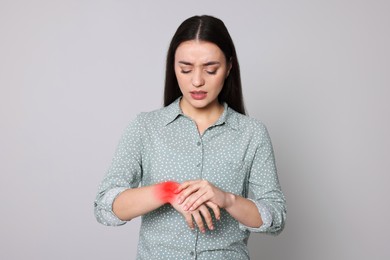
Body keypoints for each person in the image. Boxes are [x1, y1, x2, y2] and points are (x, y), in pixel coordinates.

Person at [94, 15, 286, 259]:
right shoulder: (145, 127)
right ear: (173, 67)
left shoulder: (252, 133)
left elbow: (275, 217)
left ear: (228, 67)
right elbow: (104, 208)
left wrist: (227, 199)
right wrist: (165, 192)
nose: (197, 81)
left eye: (210, 69)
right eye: (185, 69)